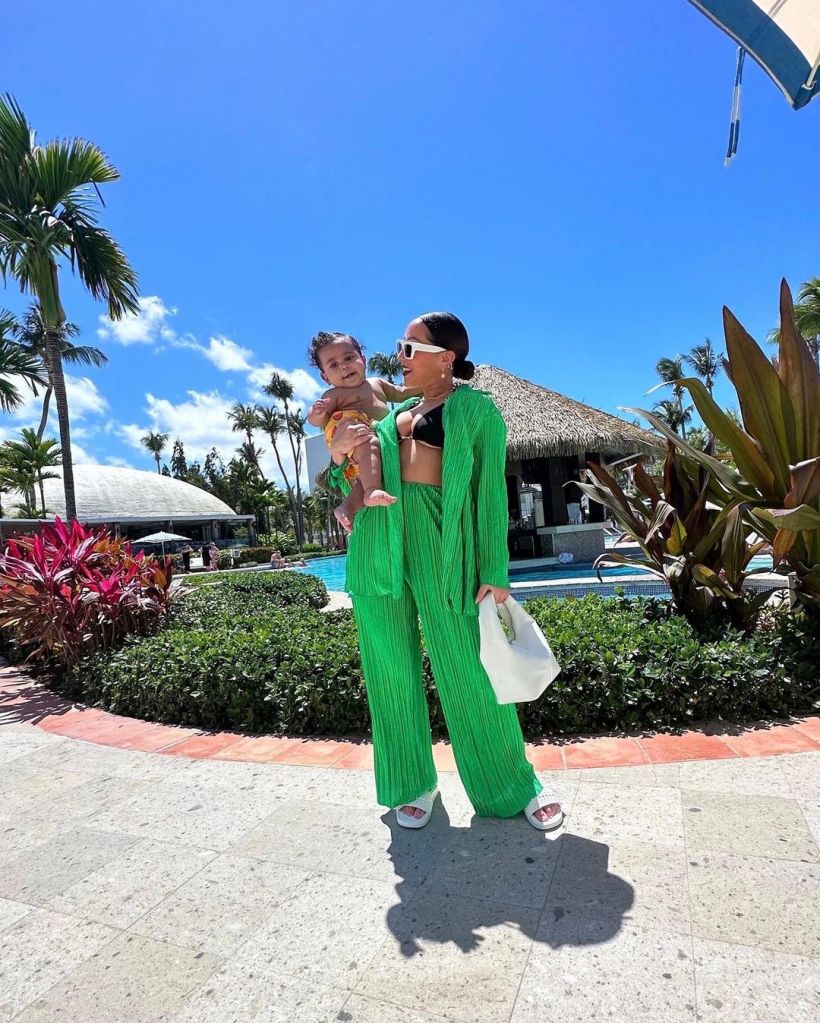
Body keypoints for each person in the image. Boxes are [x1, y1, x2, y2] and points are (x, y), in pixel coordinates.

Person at [327, 312, 563, 832]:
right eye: (399, 348)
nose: (400, 358)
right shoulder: (390, 416)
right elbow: (350, 474)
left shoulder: (476, 411)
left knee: (467, 668)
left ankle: (510, 783)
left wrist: (495, 568)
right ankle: (412, 782)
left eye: (410, 348)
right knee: (388, 671)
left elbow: (488, 494)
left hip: (442, 540)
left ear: (446, 357)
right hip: (378, 541)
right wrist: (344, 467)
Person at [306, 331, 423, 533]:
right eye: (333, 365)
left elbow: (402, 392)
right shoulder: (334, 394)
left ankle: (348, 506)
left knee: (375, 461)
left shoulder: (377, 384)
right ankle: (371, 491)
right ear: (325, 377)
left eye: (349, 358)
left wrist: (426, 386)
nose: (344, 365)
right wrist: (316, 413)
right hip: (352, 435)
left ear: (363, 360)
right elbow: (316, 420)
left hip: (375, 441)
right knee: (371, 446)